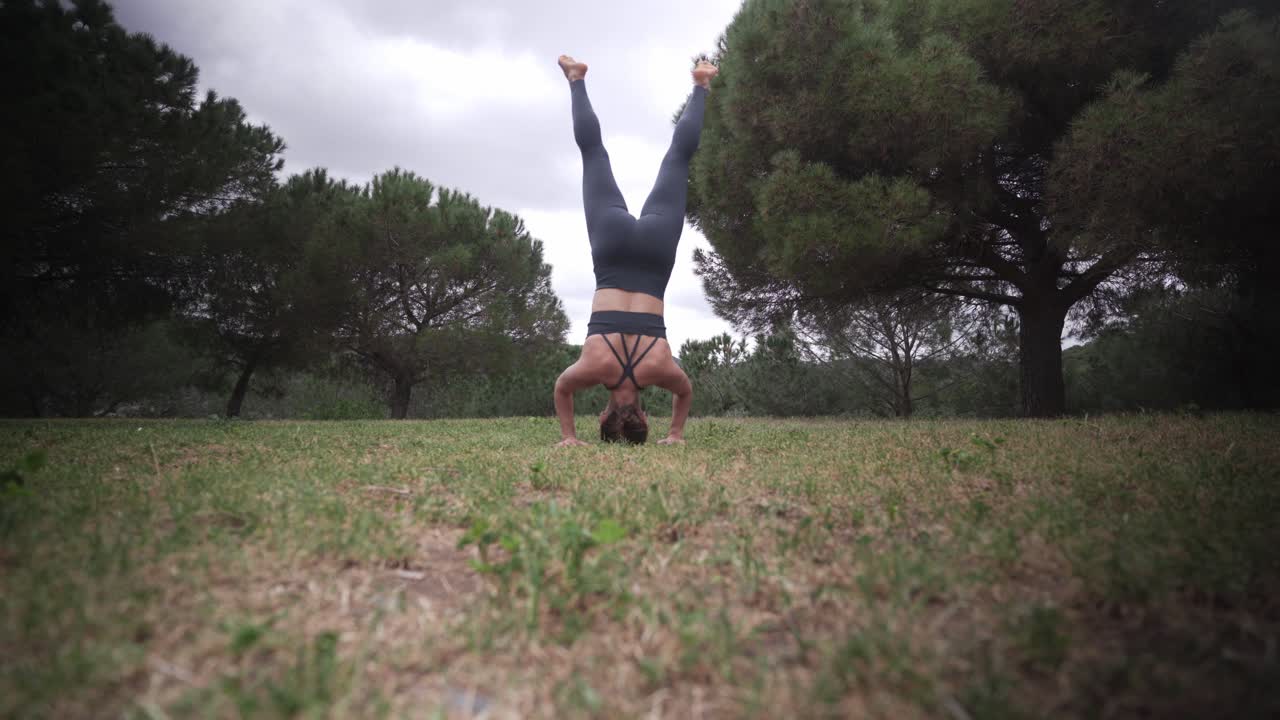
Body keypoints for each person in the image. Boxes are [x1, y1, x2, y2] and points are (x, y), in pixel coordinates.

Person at [552, 54, 717, 447]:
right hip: (611, 250)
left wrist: (676, 432)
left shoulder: (660, 369)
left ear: (644, 414)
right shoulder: (592, 367)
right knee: (593, 155)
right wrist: (569, 437)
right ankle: (576, 80)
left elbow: (685, 392)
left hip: (654, 256)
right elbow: (562, 389)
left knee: (678, 159)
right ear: (604, 414)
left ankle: (701, 84)